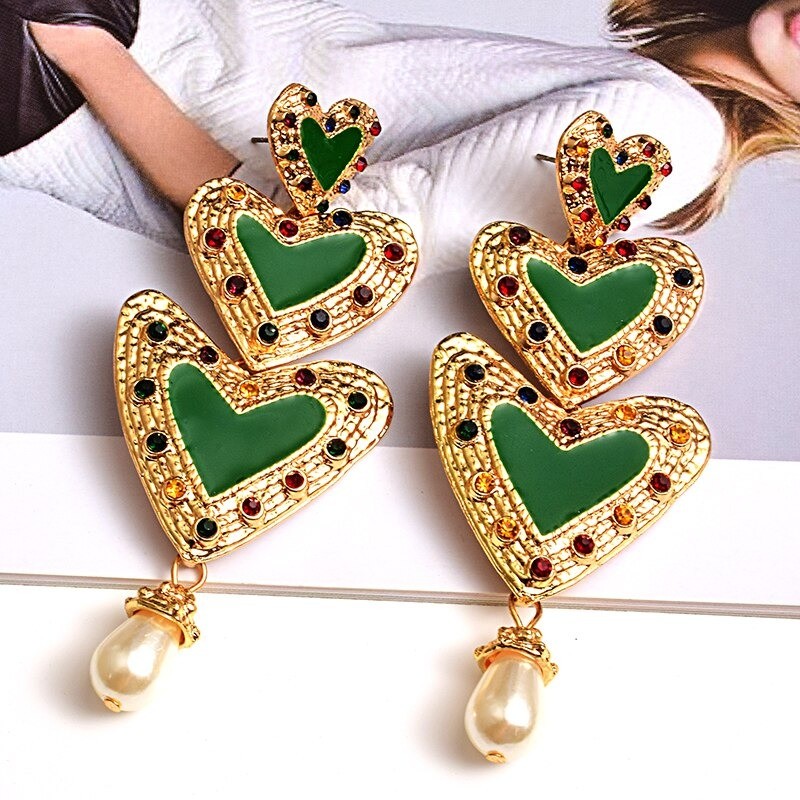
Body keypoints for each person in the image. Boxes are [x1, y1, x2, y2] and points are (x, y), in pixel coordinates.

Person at [2, 0, 796, 260]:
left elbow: (316, 246)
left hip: (78, 77)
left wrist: (86, 50)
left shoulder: (671, 129)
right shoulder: (664, 95)